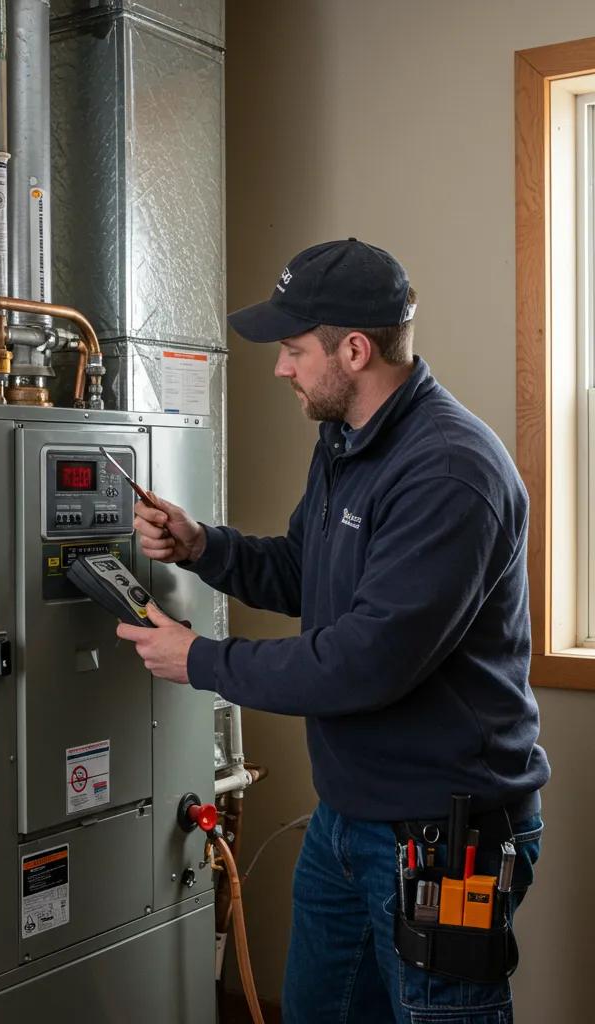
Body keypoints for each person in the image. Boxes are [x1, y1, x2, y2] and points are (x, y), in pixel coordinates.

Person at [115, 239, 550, 1023]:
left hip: (442, 838)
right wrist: (203, 545)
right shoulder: (348, 442)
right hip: (347, 821)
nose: (281, 368)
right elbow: (307, 572)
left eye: (293, 349)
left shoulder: (449, 473)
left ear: (354, 349)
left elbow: (363, 663)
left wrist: (201, 660)